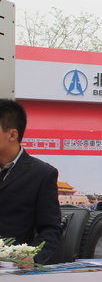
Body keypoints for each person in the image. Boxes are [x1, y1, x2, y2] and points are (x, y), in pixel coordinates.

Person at [0, 99, 61, 264]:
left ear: (12, 135)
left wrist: (32, 257)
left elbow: (50, 229)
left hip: (12, 267)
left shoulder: (42, 174)